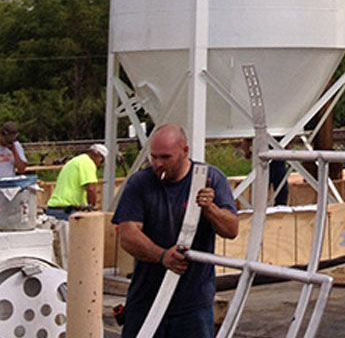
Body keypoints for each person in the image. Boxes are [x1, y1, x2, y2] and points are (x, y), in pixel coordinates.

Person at [113, 124, 239, 338]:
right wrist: (162, 256)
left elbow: (231, 229)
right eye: (154, 157)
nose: (158, 164)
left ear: (185, 152)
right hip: (147, 299)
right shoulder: (141, 183)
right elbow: (127, 235)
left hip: (193, 304)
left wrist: (210, 208)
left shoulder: (209, 178)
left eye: (165, 157)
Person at [45, 143, 108, 219]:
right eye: (101, 162)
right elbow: (91, 189)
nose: (99, 165)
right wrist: (92, 210)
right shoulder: (88, 163)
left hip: (56, 208)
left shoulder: (77, 160)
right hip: (66, 211)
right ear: (99, 157)